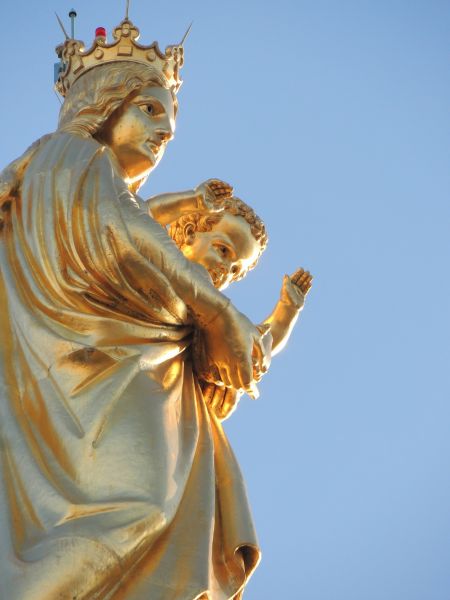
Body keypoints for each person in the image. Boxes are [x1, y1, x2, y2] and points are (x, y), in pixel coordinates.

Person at [0, 18, 269, 600]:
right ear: (104, 102)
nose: (162, 131)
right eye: (149, 109)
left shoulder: (52, 173)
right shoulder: (71, 155)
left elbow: (133, 227)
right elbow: (126, 230)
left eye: (167, 127)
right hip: (89, 375)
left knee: (146, 515)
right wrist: (218, 311)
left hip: (102, 373)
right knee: (140, 508)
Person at [163, 196, 312, 419]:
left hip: (170, 404)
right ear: (191, 233)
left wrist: (287, 310)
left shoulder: (208, 323)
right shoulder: (153, 267)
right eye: (223, 250)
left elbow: (253, 347)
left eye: (235, 270)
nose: (226, 268)